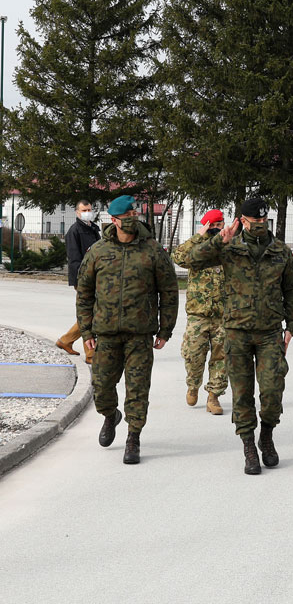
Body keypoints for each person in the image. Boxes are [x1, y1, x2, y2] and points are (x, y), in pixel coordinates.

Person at [187, 197, 293, 475]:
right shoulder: (229, 249)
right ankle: (249, 445)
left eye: (263, 220)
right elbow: (191, 260)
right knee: (242, 393)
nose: (259, 225)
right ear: (243, 221)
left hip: (270, 332)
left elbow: (292, 290)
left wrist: (291, 327)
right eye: (254, 221)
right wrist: (218, 241)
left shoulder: (280, 252)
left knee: (273, 390)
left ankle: (267, 435)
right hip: (236, 331)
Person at [75, 195, 179, 464]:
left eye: (135, 213)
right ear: (114, 220)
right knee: (101, 387)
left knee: (138, 389)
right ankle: (110, 415)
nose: (133, 218)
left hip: (140, 334)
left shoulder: (153, 250)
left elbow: (169, 291)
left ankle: (133, 437)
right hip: (106, 334)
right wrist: (86, 332)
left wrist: (165, 329)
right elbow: (84, 293)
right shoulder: (98, 252)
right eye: (127, 215)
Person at [171, 209, 227, 415]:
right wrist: (199, 236)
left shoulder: (228, 247)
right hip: (198, 315)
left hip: (222, 315)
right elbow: (177, 257)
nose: (215, 229)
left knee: (222, 358)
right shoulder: (196, 250)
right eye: (211, 225)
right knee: (194, 355)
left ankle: (214, 397)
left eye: (218, 224)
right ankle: (193, 385)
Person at [57, 200, 101, 364]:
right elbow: (74, 260)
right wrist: (83, 280)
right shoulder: (74, 231)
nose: (87, 212)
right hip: (84, 279)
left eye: (89, 209)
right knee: (88, 314)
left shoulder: (94, 229)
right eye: (84, 210)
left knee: (92, 313)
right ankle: (90, 354)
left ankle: (66, 340)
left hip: (97, 277)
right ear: (77, 212)